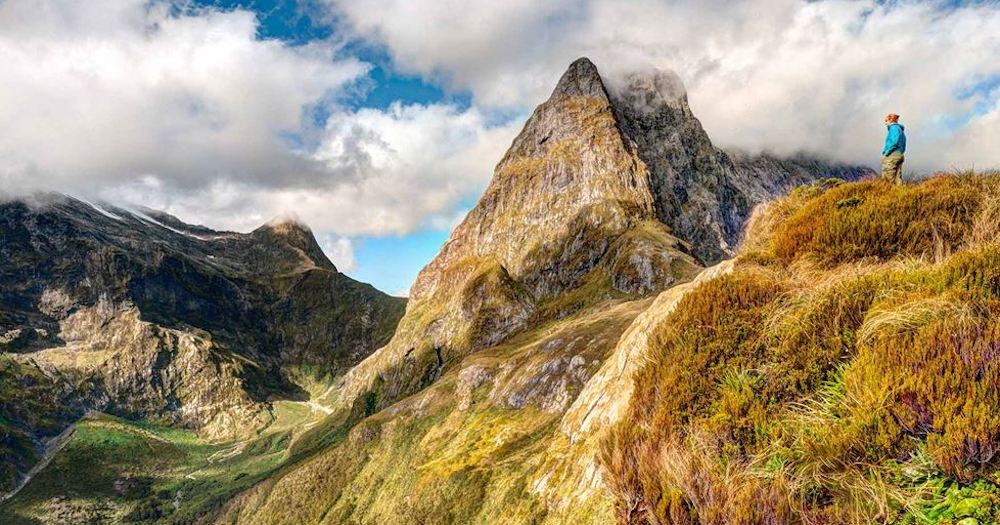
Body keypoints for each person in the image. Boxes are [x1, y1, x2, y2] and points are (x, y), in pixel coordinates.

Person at [881, 113, 906, 184]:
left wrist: (886, 153)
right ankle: (899, 193)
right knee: (897, 178)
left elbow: (894, 142)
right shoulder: (900, 130)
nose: (885, 123)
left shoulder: (893, 128)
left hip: (892, 154)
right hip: (899, 154)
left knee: (888, 176)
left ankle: (888, 192)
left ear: (890, 120)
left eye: (886, 121)